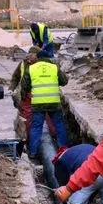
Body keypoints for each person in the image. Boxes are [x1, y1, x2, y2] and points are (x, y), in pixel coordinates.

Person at [22, 49, 69, 189]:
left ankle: (33, 152)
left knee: (36, 127)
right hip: (54, 102)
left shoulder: (31, 68)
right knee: (59, 125)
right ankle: (64, 149)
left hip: (38, 103)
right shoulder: (54, 67)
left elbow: (25, 86)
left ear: (38, 58)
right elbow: (64, 81)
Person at [9, 47, 57, 146]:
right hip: (26, 96)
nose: (29, 56)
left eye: (32, 54)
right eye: (29, 54)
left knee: (49, 119)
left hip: (41, 96)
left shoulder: (44, 65)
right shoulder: (23, 64)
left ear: (38, 56)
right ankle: (29, 142)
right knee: (28, 120)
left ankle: (53, 141)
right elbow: (16, 77)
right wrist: (11, 88)